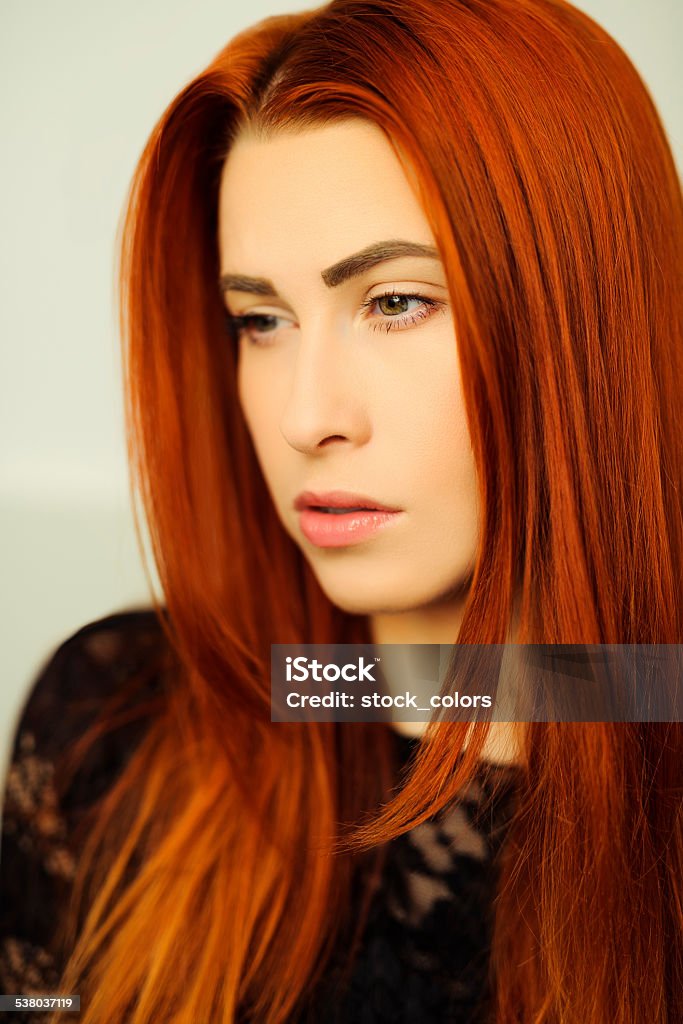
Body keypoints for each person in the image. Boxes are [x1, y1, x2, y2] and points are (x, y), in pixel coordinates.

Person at [1, 0, 681, 1021]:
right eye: (259, 319)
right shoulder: (113, 727)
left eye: (395, 301)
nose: (305, 416)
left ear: (585, 316)